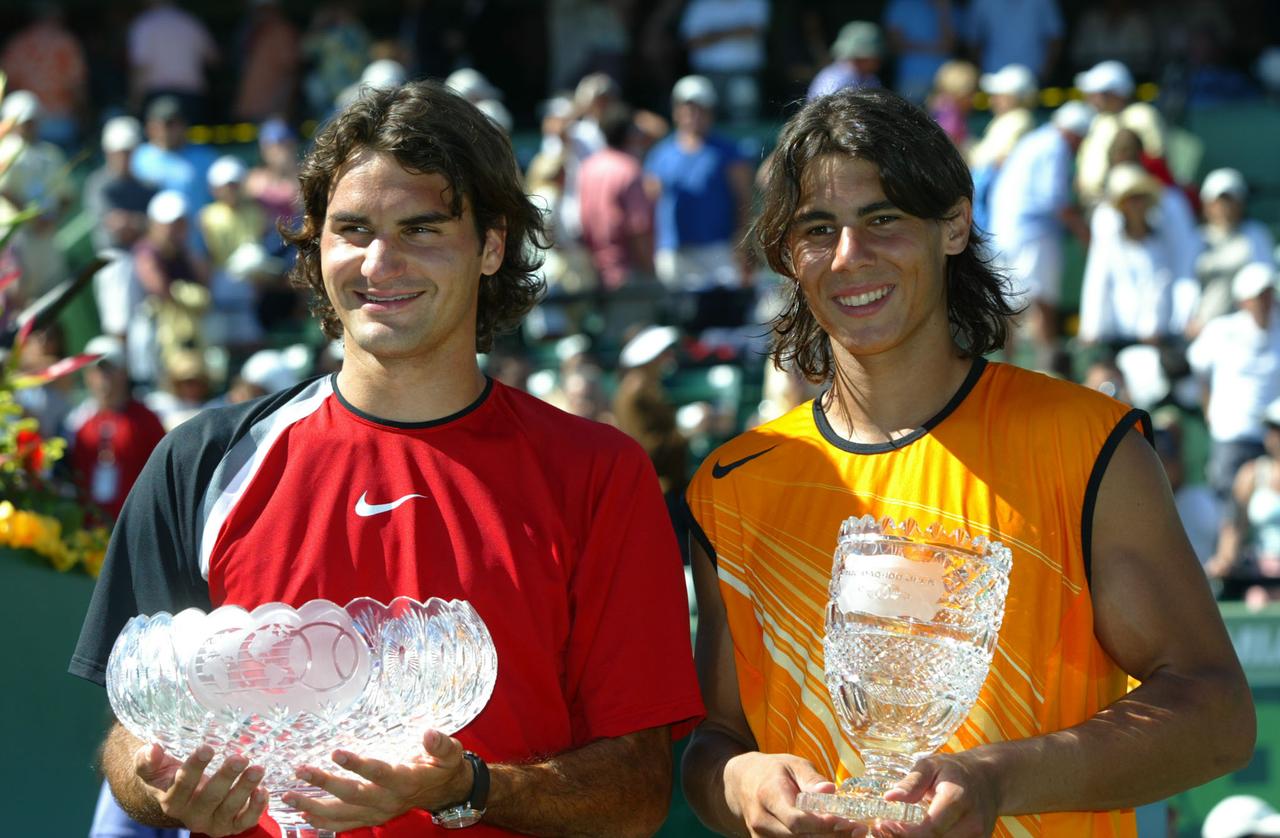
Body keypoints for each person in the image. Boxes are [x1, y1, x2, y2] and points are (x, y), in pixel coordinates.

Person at [71, 79, 703, 838]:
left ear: (493, 244)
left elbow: (637, 790)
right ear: (315, 241)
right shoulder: (203, 462)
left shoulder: (598, 473)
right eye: (353, 229)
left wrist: (468, 788)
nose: (381, 262)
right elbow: (129, 738)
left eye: (422, 229)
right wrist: (157, 779)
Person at [680, 87, 1254, 837]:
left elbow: (1215, 714)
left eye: (882, 218)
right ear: (790, 254)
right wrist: (740, 781)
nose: (850, 256)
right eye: (819, 229)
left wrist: (996, 780)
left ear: (953, 224)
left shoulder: (1084, 444)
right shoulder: (732, 484)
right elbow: (714, 741)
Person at [986, 99, 1094, 363]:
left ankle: (1006, 367)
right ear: (1074, 133)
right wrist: (1084, 234)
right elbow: (1055, 199)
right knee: (1041, 302)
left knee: (1011, 303)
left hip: (1006, 232)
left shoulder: (1035, 141)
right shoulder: (1054, 146)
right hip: (1031, 234)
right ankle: (1047, 368)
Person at [1188, 263, 1280, 501]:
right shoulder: (1221, 330)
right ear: (1243, 302)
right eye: (1259, 296)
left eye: (1269, 294)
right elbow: (1198, 368)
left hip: (1274, 438)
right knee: (1229, 508)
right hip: (1233, 435)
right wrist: (1208, 407)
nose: (1266, 301)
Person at [807, 21, 884, 101]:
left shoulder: (871, 78)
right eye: (874, 57)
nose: (879, 60)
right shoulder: (836, 80)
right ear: (860, 57)